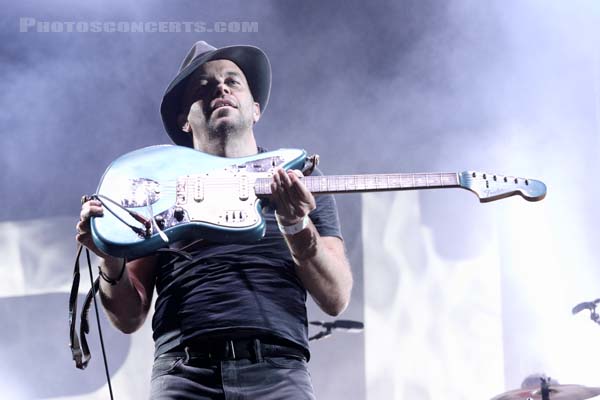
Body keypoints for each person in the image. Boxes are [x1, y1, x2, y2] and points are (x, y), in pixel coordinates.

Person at [76, 41, 353, 399]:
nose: (220, 88)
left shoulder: (300, 182)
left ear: (255, 110)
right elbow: (128, 318)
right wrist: (109, 255)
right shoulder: (159, 188)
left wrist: (296, 225)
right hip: (184, 372)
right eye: (202, 87)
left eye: (232, 81)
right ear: (184, 121)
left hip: (279, 370)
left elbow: (335, 297)